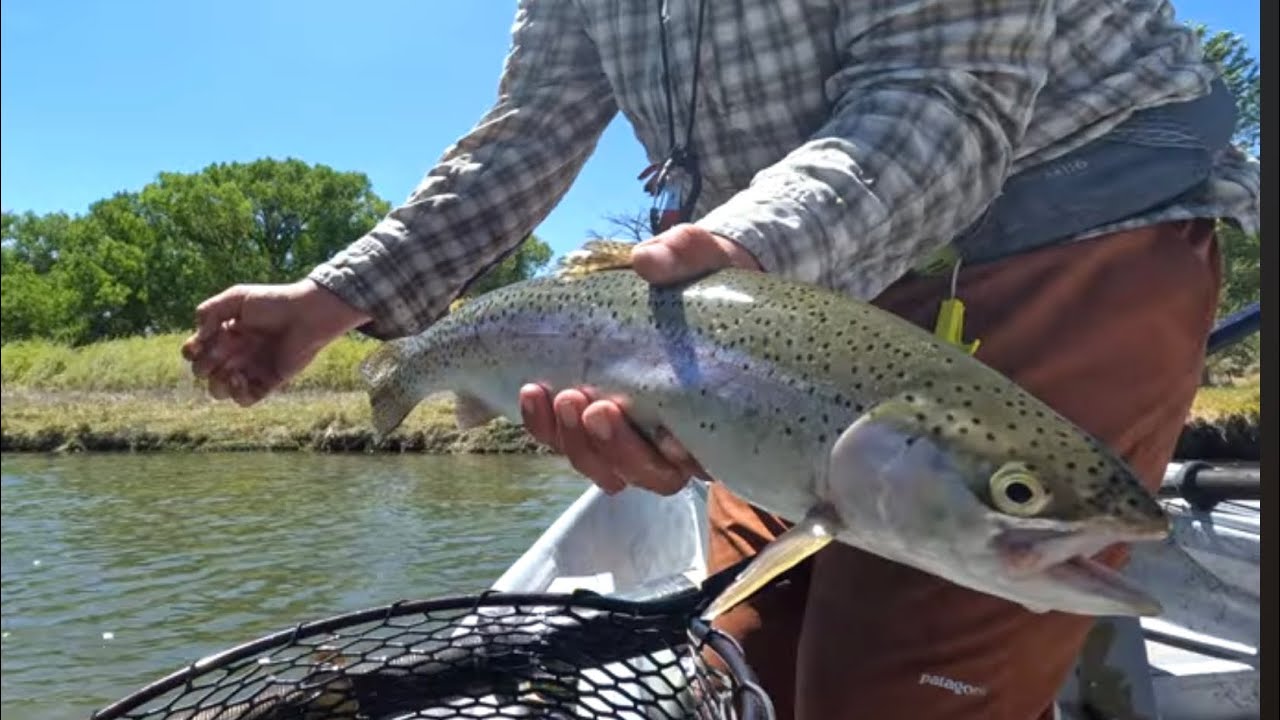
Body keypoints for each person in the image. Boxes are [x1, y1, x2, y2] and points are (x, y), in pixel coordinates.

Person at [182, 1, 1258, 718]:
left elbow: (945, 88)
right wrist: (335, 300)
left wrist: (730, 271)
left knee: (890, 689)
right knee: (741, 657)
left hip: (1060, 227)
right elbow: (530, 124)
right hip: (757, 303)